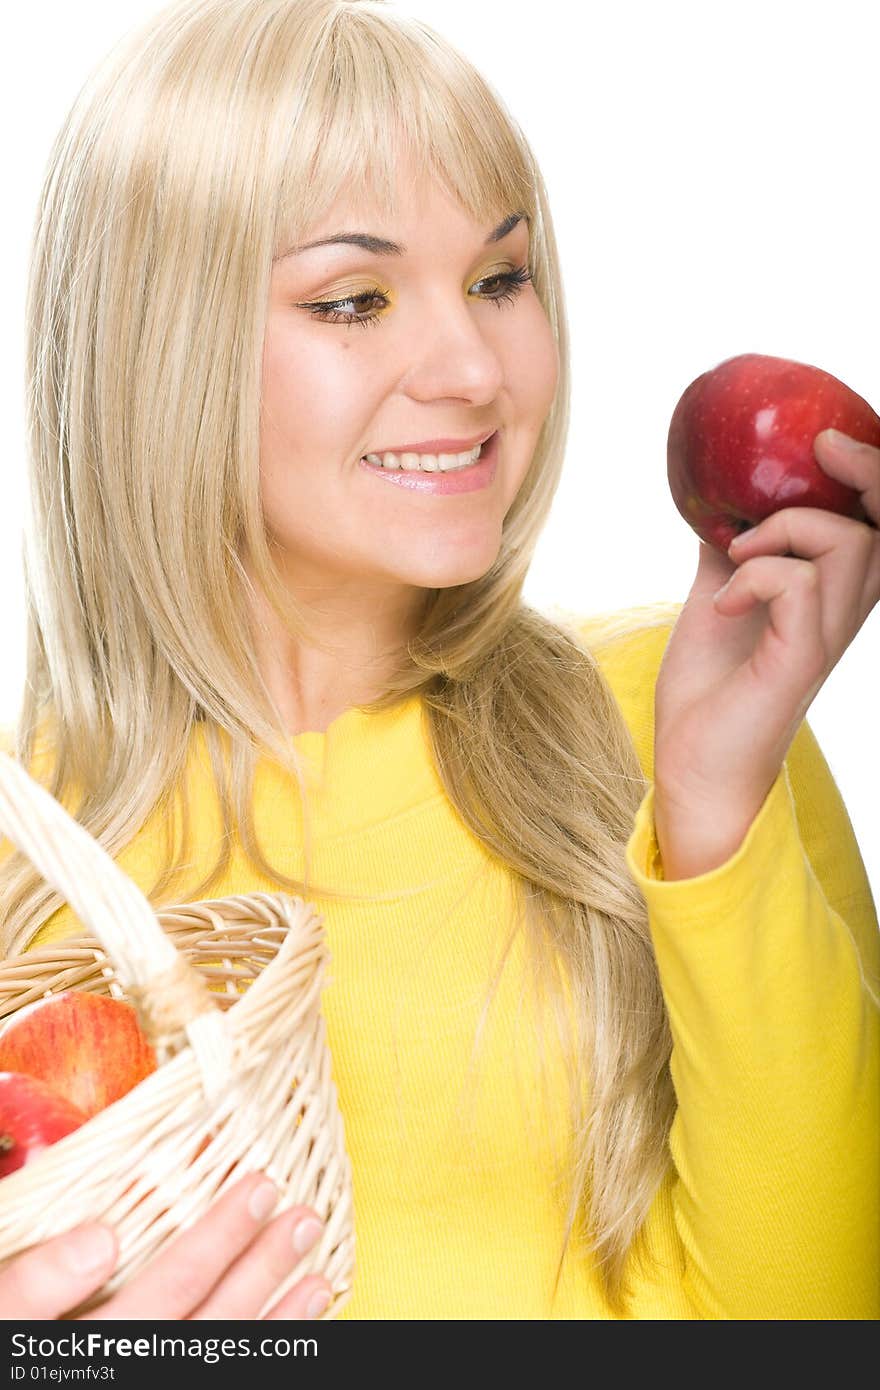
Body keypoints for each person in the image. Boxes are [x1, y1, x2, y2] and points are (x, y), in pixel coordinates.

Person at [0, 0, 877, 1322]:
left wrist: (716, 813)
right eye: (352, 300)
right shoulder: (32, 842)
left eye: (499, 278)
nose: (473, 368)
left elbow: (812, 1319)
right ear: (156, 347)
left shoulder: (678, 718)